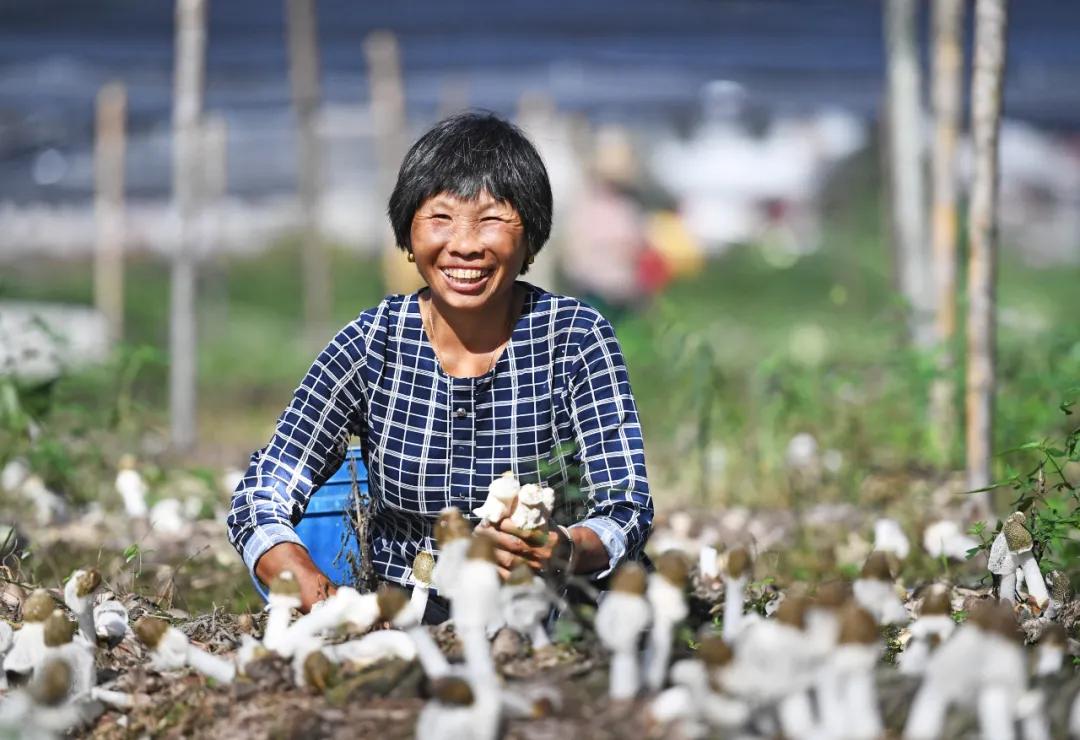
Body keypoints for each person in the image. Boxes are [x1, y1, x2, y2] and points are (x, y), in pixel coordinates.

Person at [226, 112, 653, 622]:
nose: (466, 244)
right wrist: (308, 582)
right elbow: (262, 492)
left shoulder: (575, 337)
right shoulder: (372, 343)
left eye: (492, 219)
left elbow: (627, 504)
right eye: (441, 218)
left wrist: (564, 548)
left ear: (532, 240)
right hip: (415, 606)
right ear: (408, 236)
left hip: (555, 603)